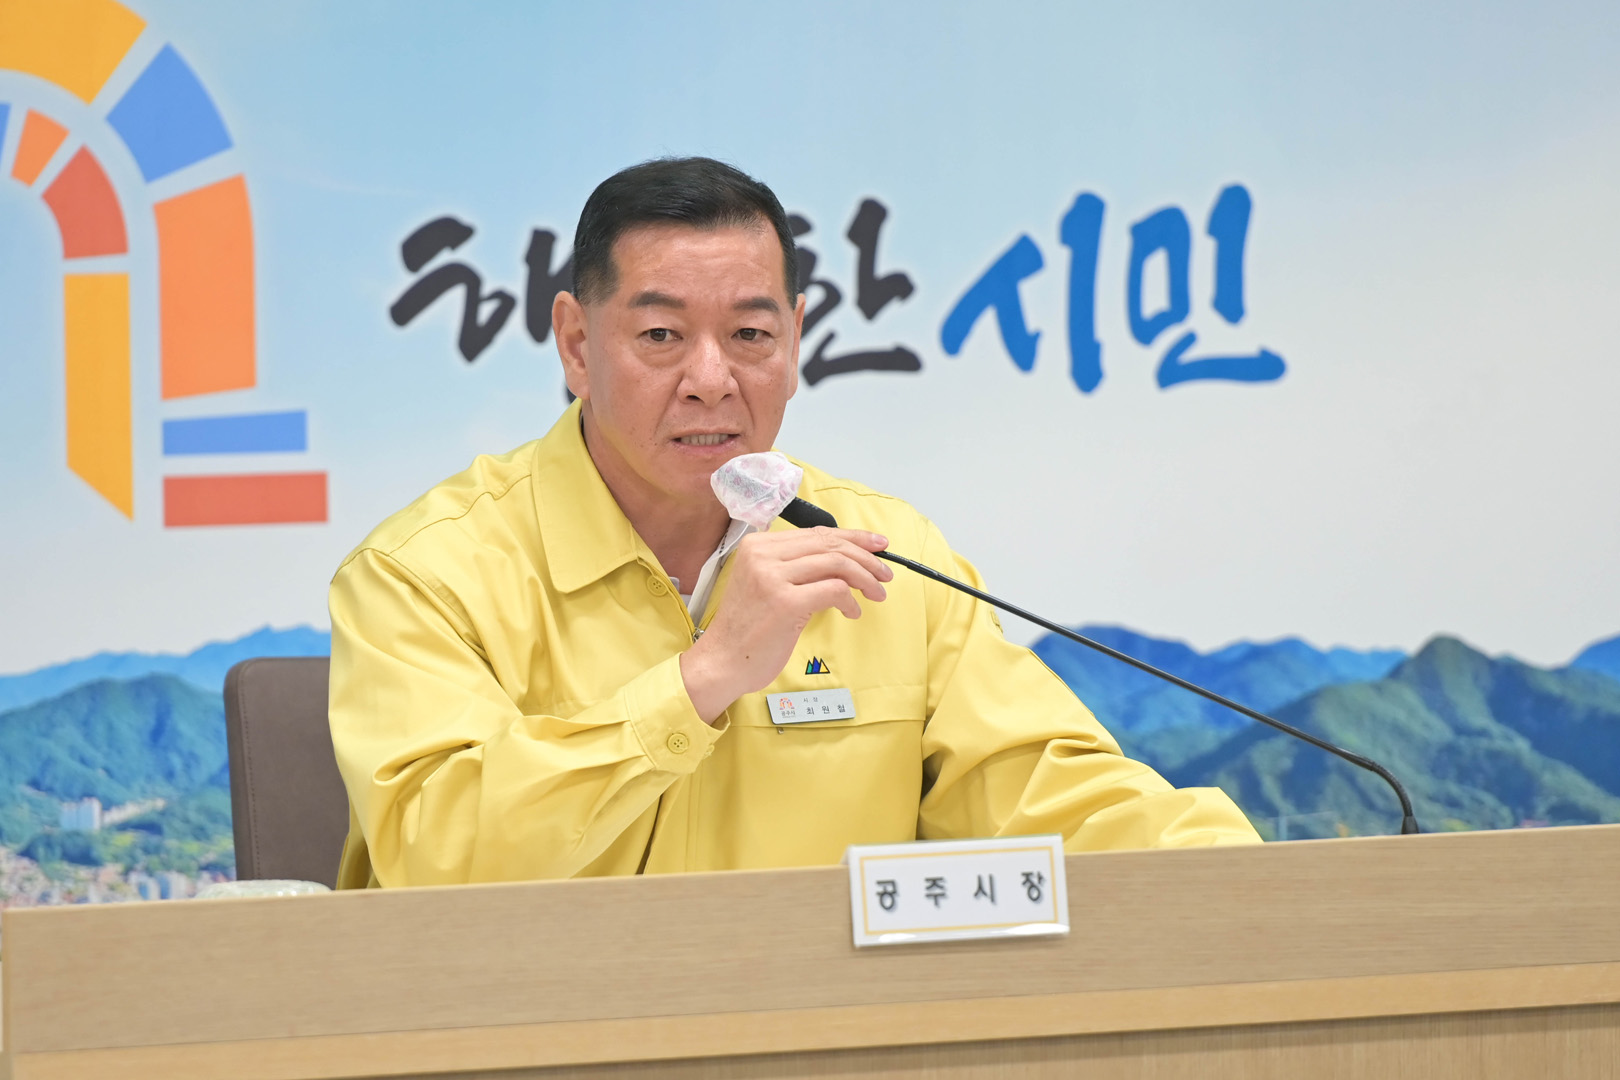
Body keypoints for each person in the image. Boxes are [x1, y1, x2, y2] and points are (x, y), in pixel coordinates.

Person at [328, 157, 1259, 889]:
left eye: (751, 335)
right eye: (660, 336)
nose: (711, 379)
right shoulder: (427, 572)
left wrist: (1252, 875)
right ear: (576, 343)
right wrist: (701, 679)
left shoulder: (891, 559)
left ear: (797, 339)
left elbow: (1045, 792)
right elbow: (434, 858)